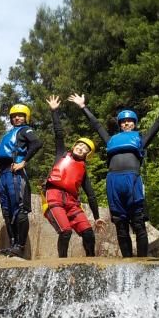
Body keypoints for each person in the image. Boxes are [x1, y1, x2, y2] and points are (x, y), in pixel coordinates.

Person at [69, 86, 159, 258]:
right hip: (113, 182)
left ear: (134, 123)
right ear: (120, 125)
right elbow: (96, 125)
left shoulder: (141, 139)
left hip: (132, 180)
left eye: (130, 121)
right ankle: (127, 261)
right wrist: (83, 107)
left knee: (138, 222)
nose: (126, 123)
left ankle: (142, 260)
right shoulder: (111, 140)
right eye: (123, 121)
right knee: (120, 224)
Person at [43, 95, 104, 257]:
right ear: (75, 145)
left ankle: (91, 262)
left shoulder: (83, 170)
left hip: (72, 203)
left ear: (87, 155)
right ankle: (62, 264)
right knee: (66, 231)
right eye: (80, 145)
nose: (81, 148)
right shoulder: (62, 154)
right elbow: (59, 133)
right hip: (53, 196)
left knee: (88, 233)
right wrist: (54, 111)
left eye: (85, 149)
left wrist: (96, 217)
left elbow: (91, 195)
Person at [0, 103, 42, 258]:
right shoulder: (8, 133)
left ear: (26, 117)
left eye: (20, 115)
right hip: (3, 174)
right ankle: (13, 245)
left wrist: (24, 161)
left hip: (16, 173)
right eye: (14, 116)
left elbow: (37, 143)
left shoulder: (25, 130)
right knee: (7, 212)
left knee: (19, 209)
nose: (17, 118)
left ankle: (20, 246)